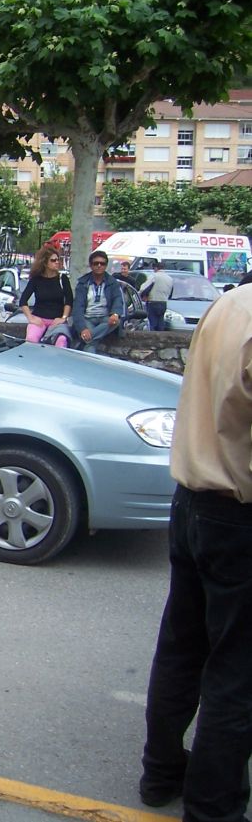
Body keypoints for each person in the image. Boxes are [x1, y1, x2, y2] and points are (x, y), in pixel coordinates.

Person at [139, 283, 252, 822]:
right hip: (236, 510)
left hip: (192, 499)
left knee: (182, 647)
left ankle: (161, 771)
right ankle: (213, 807)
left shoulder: (231, 303)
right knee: (236, 672)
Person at [18, 245, 73, 348]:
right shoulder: (36, 279)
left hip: (56, 320)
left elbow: (69, 301)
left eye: (58, 259)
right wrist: (30, 318)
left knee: (61, 340)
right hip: (39, 318)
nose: (57, 262)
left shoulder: (63, 279)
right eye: (53, 260)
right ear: (45, 262)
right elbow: (23, 301)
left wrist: (63, 318)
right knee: (31, 339)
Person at [71, 250, 125, 353]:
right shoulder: (83, 283)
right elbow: (78, 307)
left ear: (106, 266)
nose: (99, 266)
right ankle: (88, 342)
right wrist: (82, 329)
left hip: (105, 318)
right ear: (91, 265)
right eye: (96, 263)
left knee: (116, 322)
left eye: (102, 263)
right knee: (91, 343)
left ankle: (86, 339)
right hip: (87, 318)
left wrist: (115, 314)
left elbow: (117, 299)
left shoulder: (112, 282)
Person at [140, 267, 174, 331]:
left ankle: (152, 336)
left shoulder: (154, 276)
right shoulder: (170, 278)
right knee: (160, 321)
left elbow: (144, 288)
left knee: (152, 323)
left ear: (156, 268)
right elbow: (171, 292)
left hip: (153, 302)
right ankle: (161, 335)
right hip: (163, 303)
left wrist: (143, 295)